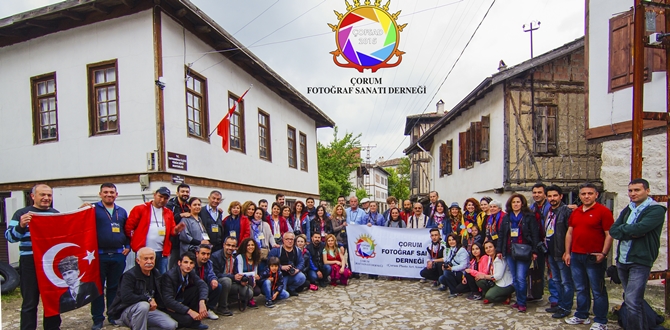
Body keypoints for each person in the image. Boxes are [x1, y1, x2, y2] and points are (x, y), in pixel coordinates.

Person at [610, 178, 666, 330]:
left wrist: (627, 230)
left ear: (647, 191)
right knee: (635, 300)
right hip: (623, 259)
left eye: (637, 190)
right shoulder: (629, 208)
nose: (633, 194)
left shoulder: (656, 210)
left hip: (640, 260)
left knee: (632, 301)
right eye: (630, 190)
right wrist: (630, 232)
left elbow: (641, 229)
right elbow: (614, 230)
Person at [5, 184, 63, 330]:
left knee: (52, 300)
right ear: (32, 196)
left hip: (50, 261)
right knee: (30, 301)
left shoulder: (56, 214)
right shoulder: (21, 213)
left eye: (49, 195)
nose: (46, 198)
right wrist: (21, 225)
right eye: (42, 195)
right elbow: (10, 237)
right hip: (29, 262)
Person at [563, 182, 613, 330]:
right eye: (583, 194)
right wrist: (567, 252)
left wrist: (604, 253)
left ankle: (601, 320)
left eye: (590, 193)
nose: (586, 196)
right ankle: (581, 315)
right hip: (576, 255)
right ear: (579, 196)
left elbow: (609, 234)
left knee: (598, 290)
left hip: (594, 256)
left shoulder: (603, 211)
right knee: (581, 288)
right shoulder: (576, 212)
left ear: (596, 195)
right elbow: (570, 233)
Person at [84, 183, 130, 330]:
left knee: (114, 288)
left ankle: (113, 315)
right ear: (100, 194)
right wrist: (81, 210)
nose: (109, 195)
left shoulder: (121, 211)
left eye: (112, 192)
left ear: (116, 194)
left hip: (117, 255)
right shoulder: (92, 209)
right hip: (98, 255)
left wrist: (128, 247)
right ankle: (98, 319)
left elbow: (127, 230)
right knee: (97, 289)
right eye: (106, 192)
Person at [108, 247, 177, 330]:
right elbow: (126, 297)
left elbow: (160, 295)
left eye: (151, 258)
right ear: (138, 261)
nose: (149, 262)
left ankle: (139, 325)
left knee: (171, 325)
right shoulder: (129, 276)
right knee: (143, 305)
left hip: (148, 311)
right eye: (145, 259)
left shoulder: (156, 274)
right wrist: (148, 299)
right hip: (126, 311)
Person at [496, 193, 540, 313]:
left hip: (524, 251)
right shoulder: (506, 217)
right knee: (515, 278)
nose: (516, 204)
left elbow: (535, 234)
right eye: (513, 202)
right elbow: (501, 235)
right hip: (510, 250)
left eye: (518, 202)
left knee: (521, 277)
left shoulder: (528, 216)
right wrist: (499, 250)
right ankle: (519, 299)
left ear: (522, 203)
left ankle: (522, 302)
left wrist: (535, 250)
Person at [125, 187, 184, 274]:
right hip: (143, 251)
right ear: (154, 195)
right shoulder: (140, 209)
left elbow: (172, 231)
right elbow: (129, 227)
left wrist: (177, 230)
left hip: (161, 252)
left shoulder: (168, 212)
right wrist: (135, 242)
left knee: (160, 277)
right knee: (142, 276)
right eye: (160, 196)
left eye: (165, 198)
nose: (162, 200)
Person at [543, 185, 574, 319]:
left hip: (561, 252)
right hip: (551, 251)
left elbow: (570, 233)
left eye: (555, 196)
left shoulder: (566, 211)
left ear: (561, 196)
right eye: (549, 196)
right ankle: (560, 304)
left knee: (566, 281)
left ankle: (566, 306)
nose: (552, 198)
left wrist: (567, 251)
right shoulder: (549, 211)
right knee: (556, 280)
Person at [160, 252, 209, 330]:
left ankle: (196, 323)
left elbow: (202, 284)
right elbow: (168, 300)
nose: (188, 266)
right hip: (167, 307)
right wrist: (189, 311)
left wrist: (202, 301)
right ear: (179, 263)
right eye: (185, 262)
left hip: (179, 300)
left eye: (191, 263)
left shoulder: (190, 272)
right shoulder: (169, 276)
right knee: (187, 319)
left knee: (196, 290)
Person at [529, 183, 554, 305]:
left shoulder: (550, 207)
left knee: (552, 271)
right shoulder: (532, 207)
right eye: (534, 192)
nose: (536, 195)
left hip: (550, 242)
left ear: (545, 194)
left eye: (539, 192)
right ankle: (536, 294)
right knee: (536, 270)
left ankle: (555, 299)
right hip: (537, 243)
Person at [478, 241, 515, 305]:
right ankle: (494, 294)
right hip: (495, 281)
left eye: (490, 247)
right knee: (479, 280)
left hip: (505, 284)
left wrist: (484, 276)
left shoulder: (499, 259)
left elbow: (498, 276)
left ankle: (505, 297)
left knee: (489, 296)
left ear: (495, 248)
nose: (488, 249)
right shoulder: (489, 258)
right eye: (486, 248)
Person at [211, 237, 238, 317]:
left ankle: (226, 300)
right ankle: (222, 307)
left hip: (231, 283)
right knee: (227, 281)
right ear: (223, 245)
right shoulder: (215, 256)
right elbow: (215, 274)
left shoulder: (235, 256)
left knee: (248, 292)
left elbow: (235, 273)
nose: (230, 248)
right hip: (218, 282)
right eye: (228, 245)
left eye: (233, 246)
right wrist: (232, 277)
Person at [166, 183, 191, 270]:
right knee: (173, 265)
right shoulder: (170, 205)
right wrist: (180, 215)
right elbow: (167, 219)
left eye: (187, 192)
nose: (185, 193)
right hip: (174, 242)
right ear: (177, 193)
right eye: (183, 191)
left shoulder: (189, 205)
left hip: (185, 242)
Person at [192, 245, 220, 320]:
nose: (206, 257)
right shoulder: (192, 263)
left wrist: (213, 279)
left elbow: (211, 274)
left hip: (204, 285)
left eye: (208, 254)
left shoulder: (209, 263)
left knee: (218, 286)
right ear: (197, 254)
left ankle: (209, 309)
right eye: (203, 254)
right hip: (193, 287)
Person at [438, 233, 469, 297]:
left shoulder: (462, 250)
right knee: (441, 278)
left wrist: (452, 268)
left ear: (456, 240)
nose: (451, 242)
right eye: (449, 240)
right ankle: (455, 287)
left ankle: (454, 292)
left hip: (462, 273)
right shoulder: (451, 249)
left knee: (447, 272)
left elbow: (464, 265)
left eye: (453, 240)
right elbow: (448, 260)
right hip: (455, 272)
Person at [234, 238, 261, 310]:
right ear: (245, 246)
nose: (250, 247)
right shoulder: (240, 257)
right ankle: (249, 300)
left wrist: (255, 279)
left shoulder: (255, 257)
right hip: (242, 280)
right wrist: (252, 274)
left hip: (251, 280)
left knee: (257, 291)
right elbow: (240, 273)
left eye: (252, 245)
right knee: (250, 279)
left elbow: (256, 271)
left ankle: (248, 299)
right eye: (248, 245)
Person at [250, 207, 277, 274]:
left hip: (264, 250)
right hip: (253, 250)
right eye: (257, 213)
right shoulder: (250, 224)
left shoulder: (266, 224)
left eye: (260, 214)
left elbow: (270, 236)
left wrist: (274, 244)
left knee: (262, 269)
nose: (258, 215)